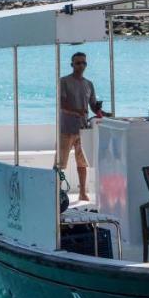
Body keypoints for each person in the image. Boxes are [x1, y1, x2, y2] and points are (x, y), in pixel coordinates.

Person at [59, 51, 108, 202]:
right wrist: (77, 111)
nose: (81, 65)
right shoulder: (64, 82)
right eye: (78, 63)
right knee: (60, 163)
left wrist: (104, 113)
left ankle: (82, 192)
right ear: (72, 64)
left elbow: (93, 106)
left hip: (83, 129)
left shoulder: (89, 84)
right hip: (65, 129)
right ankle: (56, 192)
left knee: (82, 163)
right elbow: (62, 105)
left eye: (84, 63)